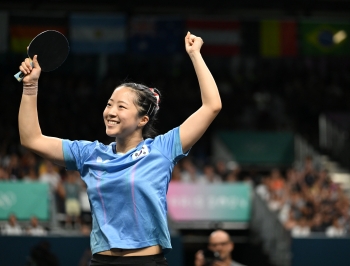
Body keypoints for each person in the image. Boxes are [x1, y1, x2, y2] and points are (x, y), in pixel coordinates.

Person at [18, 31, 221, 266]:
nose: (111, 112)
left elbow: (212, 106)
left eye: (121, 107)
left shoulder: (163, 149)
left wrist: (195, 54)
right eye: (109, 104)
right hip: (101, 261)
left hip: (147, 261)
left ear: (142, 120)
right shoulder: (89, 154)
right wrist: (30, 87)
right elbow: (31, 139)